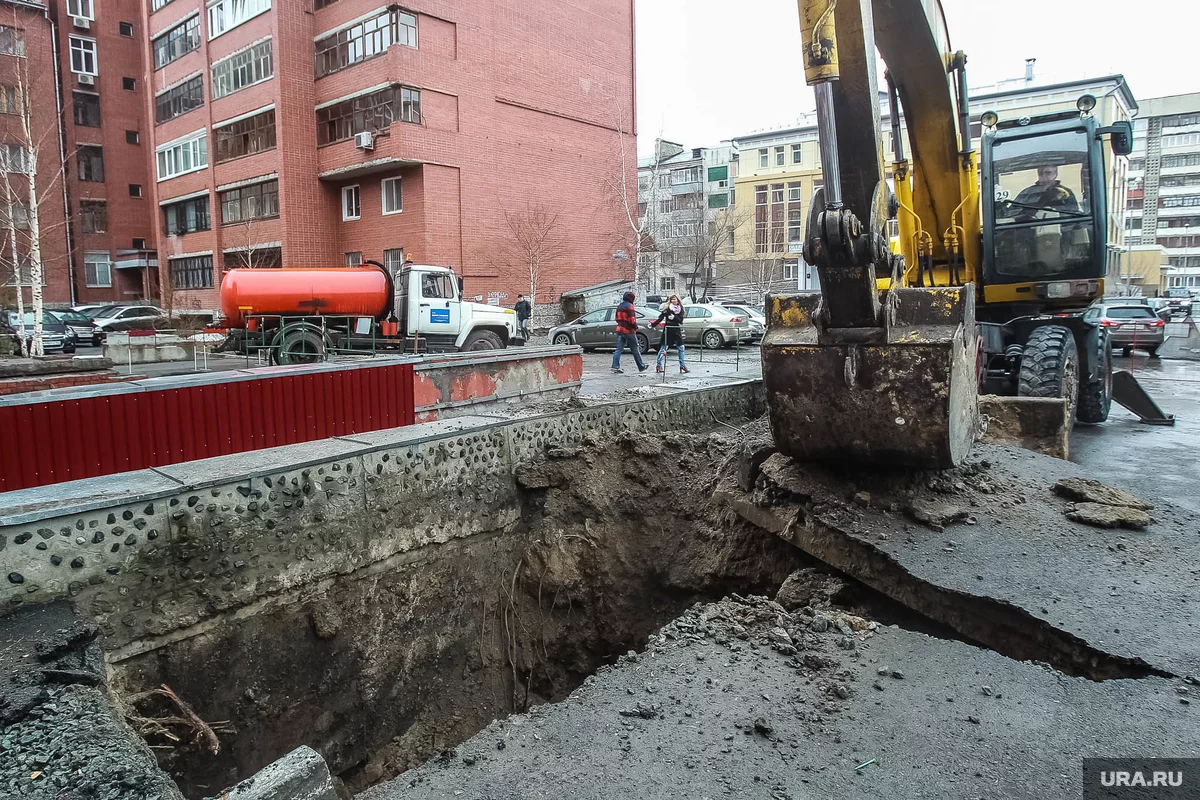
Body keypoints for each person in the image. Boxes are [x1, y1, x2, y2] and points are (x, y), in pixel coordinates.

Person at [1010, 165, 1081, 220]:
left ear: (1055, 174)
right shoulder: (1027, 193)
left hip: (1063, 230)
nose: (1044, 176)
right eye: (1041, 173)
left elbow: (1074, 214)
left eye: (1048, 173)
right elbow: (1013, 214)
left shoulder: (1065, 193)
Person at [650, 295, 689, 374]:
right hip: (668, 330)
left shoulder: (680, 309)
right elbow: (660, 318)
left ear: (678, 300)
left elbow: (680, 321)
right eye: (672, 299)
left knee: (681, 348)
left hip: (676, 330)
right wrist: (653, 324)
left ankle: (682, 365)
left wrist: (674, 317)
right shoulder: (668, 309)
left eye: (675, 299)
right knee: (663, 348)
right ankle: (659, 365)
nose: (673, 301)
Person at [612, 290, 648, 374]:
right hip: (628, 330)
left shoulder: (619, 306)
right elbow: (632, 320)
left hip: (620, 329)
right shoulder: (630, 306)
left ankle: (615, 366)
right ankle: (641, 366)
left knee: (619, 349)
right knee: (635, 348)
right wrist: (635, 327)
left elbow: (616, 318)